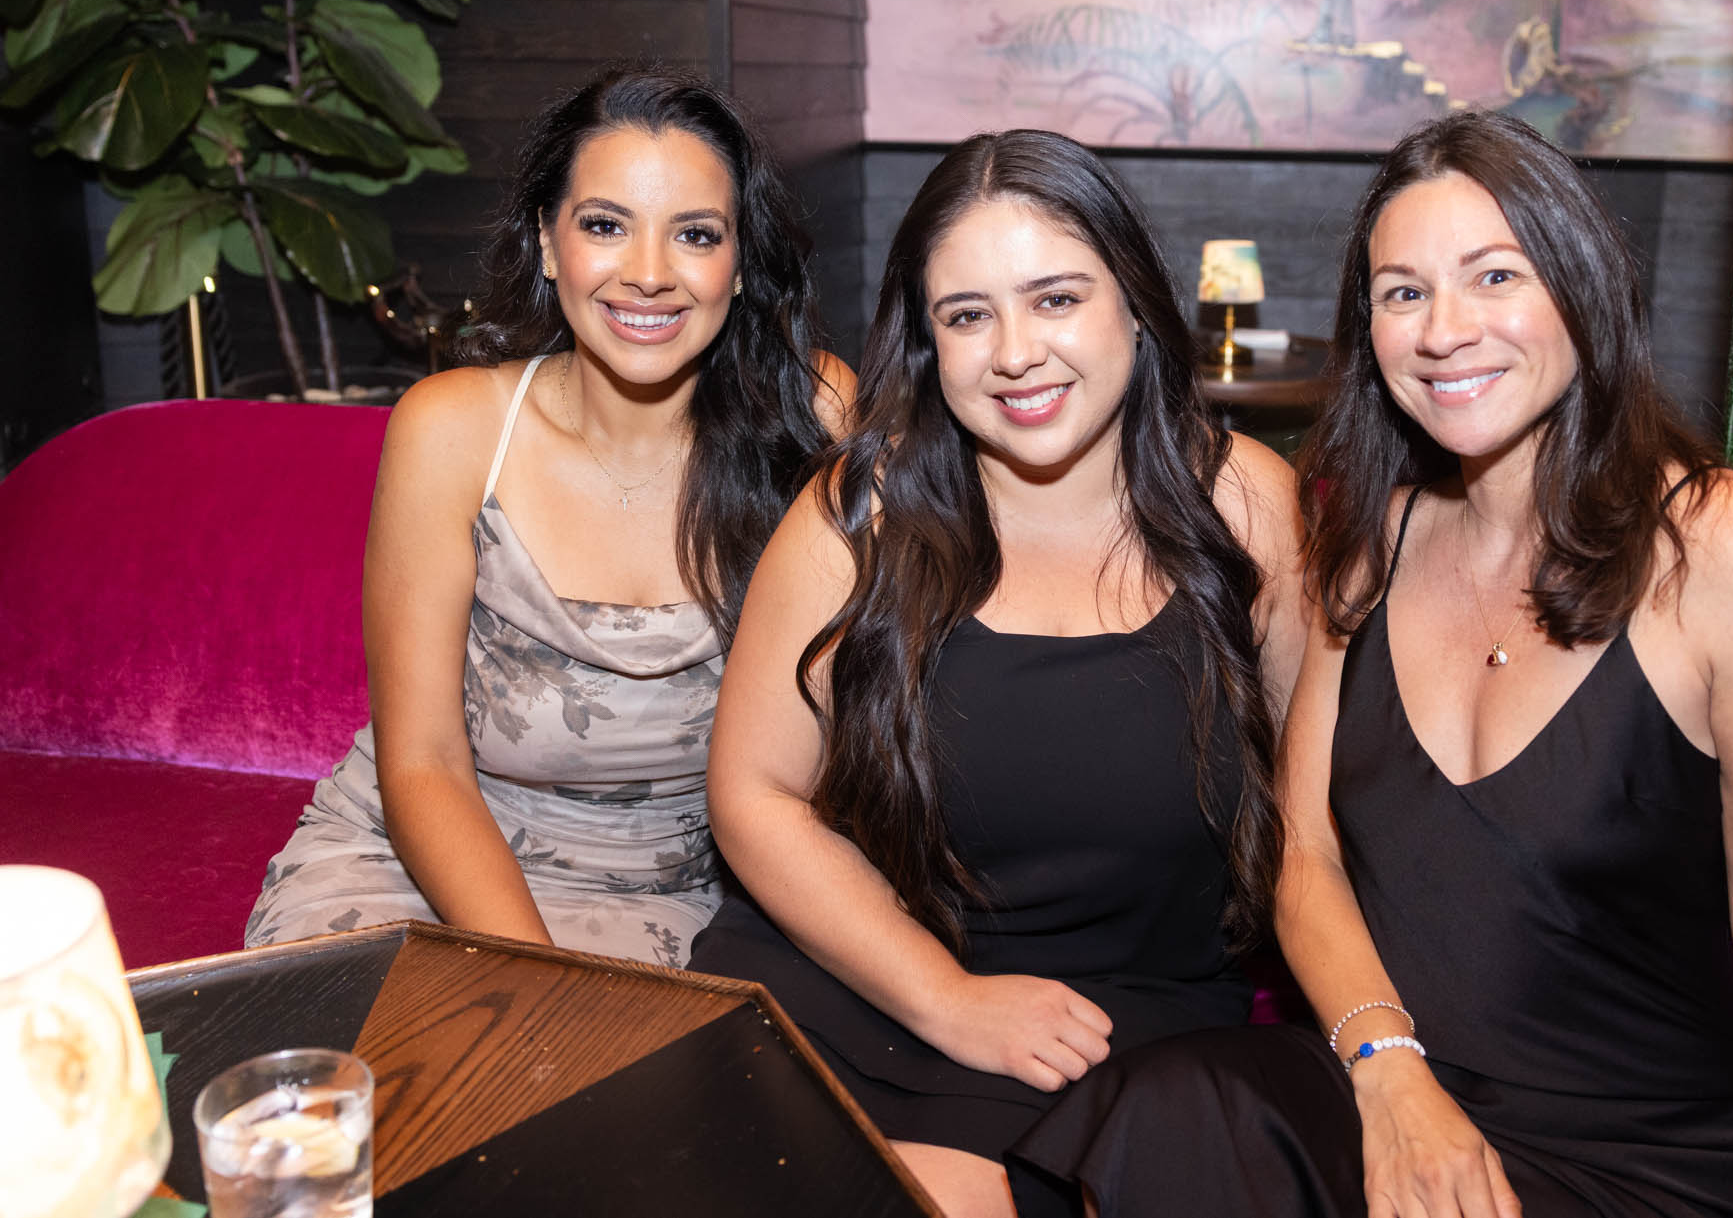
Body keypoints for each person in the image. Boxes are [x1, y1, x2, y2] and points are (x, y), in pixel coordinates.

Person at [1022, 111, 1733, 1218]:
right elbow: (1305, 857)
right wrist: (1388, 1070)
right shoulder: (1369, 541)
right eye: (1403, 293)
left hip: (1659, 1152)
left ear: (1581, 289)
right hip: (1399, 1083)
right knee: (1178, 1104)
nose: (1445, 330)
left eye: (1495, 275)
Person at [686, 129, 1307, 1217]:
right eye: (967, 316)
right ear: (927, 344)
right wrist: (946, 1001)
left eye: (1056, 298)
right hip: (856, 977)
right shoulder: (858, 514)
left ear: (1134, 301)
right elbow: (753, 794)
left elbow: (1321, 804)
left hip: (1114, 1029)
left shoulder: (1247, 503)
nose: (1015, 352)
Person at [245, 66, 853, 969]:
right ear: (546, 242)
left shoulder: (816, 416)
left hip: (697, 897)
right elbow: (424, 764)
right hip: (424, 869)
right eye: (605, 225)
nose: (648, 275)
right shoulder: (452, 430)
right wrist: (542, 993)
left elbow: (849, 732)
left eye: (695, 234)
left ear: (739, 260)